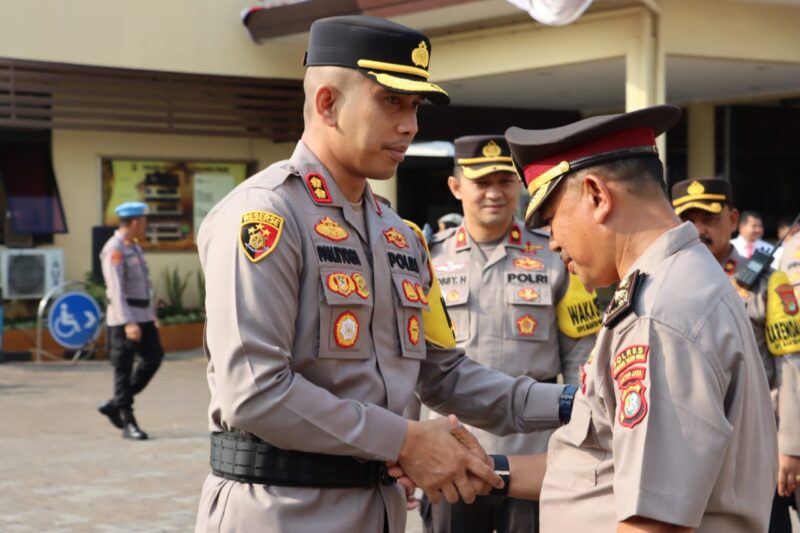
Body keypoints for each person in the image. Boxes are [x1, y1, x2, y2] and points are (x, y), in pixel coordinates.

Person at [193, 16, 573, 533]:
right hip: (281, 509)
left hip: (379, 509)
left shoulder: (402, 237)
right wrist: (405, 440)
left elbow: (442, 372)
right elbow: (254, 391)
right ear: (328, 103)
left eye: (414, 107)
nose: (411, 126)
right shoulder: (266, 217)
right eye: (391, 101)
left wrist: (573, 402)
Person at [391, 105, 779, 532]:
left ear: (597, 195)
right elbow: (601, 466)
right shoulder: (683, 283)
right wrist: (486, 469)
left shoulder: (660, 315)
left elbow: (654, 522)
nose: (552, 241)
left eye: (552, 218)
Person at [421, 134, 599, 533]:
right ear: (456, 187)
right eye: (481, 183)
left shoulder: (556, 255)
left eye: (504, 181)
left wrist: (580, 438)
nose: (494, 193)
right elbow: (407, 358)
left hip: (534, 450)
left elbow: (579, 358)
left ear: (518, 185)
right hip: (453, 448)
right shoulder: (427, 258)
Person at [671, 177, 800, 532]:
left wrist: (790, 446)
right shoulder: (661, 279)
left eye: (709, 218)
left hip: (755, 439)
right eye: (688, 219)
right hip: (685, 444)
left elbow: (789, 364)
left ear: (732, 218)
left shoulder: (765, 281)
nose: (698, 229)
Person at [97, 201, 164, 440]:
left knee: (154, 358)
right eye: (144, 222)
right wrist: (128, 323)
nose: (145, 226)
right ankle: (127, 420)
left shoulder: (133, 246)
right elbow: (115, 290)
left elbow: (143, 285)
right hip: (124, 319)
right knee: (123, 369)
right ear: (135, 222)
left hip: (143, 315)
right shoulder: (114, 248)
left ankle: (117, 403)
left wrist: (151, 315)